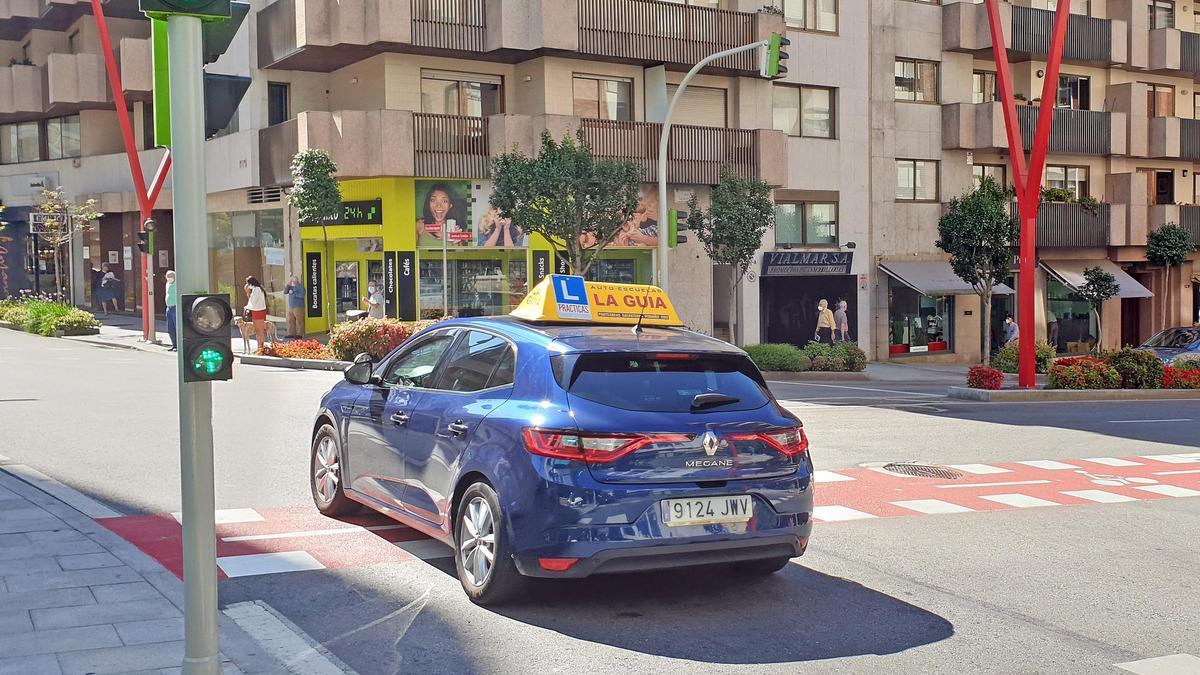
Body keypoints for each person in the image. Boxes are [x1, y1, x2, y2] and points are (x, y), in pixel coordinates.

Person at [244, 276, 268, 349]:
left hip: (259, 311)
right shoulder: (255, 289)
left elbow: (253, 301)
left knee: (260, 330)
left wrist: (248, 292)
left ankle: (262, 347)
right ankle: (259, 346)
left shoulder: (257, 289)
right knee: (257, 330)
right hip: (255, 310)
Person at [164, 270, 177, 351]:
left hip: (175, 307)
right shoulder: (167, 284)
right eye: (168, 276)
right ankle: (174, 344)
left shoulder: (177, 284)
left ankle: (178, 345)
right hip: (169, 307)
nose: (169, 278)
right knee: (170, 328)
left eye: (171, 276)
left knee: (176, 327)